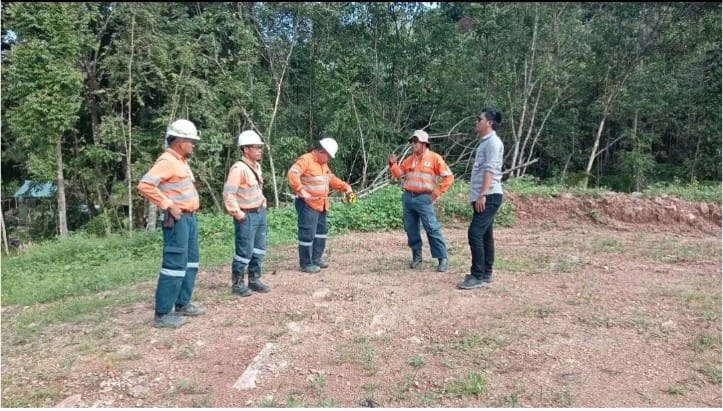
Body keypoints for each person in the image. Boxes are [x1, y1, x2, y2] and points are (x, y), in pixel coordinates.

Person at [138, 119, 206, 328]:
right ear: (179, 140)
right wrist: (168, 205)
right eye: (190, 141)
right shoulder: (167, 161)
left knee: (190, 261)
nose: (193, 145)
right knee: (174, 264)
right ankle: (163, 313)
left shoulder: (181, 161)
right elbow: (145, 185)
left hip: (189, 218)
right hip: (177, 220)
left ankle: (182, 303)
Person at [388, 130, 454, 272]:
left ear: (424, 143)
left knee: (431, 227)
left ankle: (442, 258)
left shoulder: (435, 158)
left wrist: (435, 193)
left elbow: (448, 177)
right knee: (410, 228)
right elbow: (399, 174)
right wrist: (392, 164)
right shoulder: (410, 159)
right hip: (408, 197)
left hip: (424, 198)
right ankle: (417, 257)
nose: (413, 144)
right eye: (412, 141)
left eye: (416, 141)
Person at [287, 138, 353, 273]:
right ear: (321, 151)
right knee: (307, 234)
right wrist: (300, 189)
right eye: (328, 156)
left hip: (321, 204)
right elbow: (292, 173)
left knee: (321, 233)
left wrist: (345, 187)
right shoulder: (306, 160)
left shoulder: (323, 165)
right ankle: (306, 263)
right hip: (307, 204)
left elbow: (331, 179)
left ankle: (316, 258)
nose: (328, 159)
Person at [457, 108, 505, 290]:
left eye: (479, 119)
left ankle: (477, 275)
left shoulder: (493, 143)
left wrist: (482, 194)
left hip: (489, 195)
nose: (476, 122)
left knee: (474, 233)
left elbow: (490, 170)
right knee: (485, 234)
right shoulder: (485, 142)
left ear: (489, 123)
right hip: (486, 194)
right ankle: (486, 272)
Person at [223, 130, 270, 297]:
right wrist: (237, 213)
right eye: (256, 147)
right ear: (245, 149)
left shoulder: (255, 166)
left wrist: (263, 201)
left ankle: (254, 279)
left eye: (260, 147)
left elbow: (256, 188)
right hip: (246, 215)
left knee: (259, 248)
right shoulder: (238, 169)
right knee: (244, 250)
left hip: (259, 212)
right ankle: (237, 283)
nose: (259, 150)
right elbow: (229, 193)